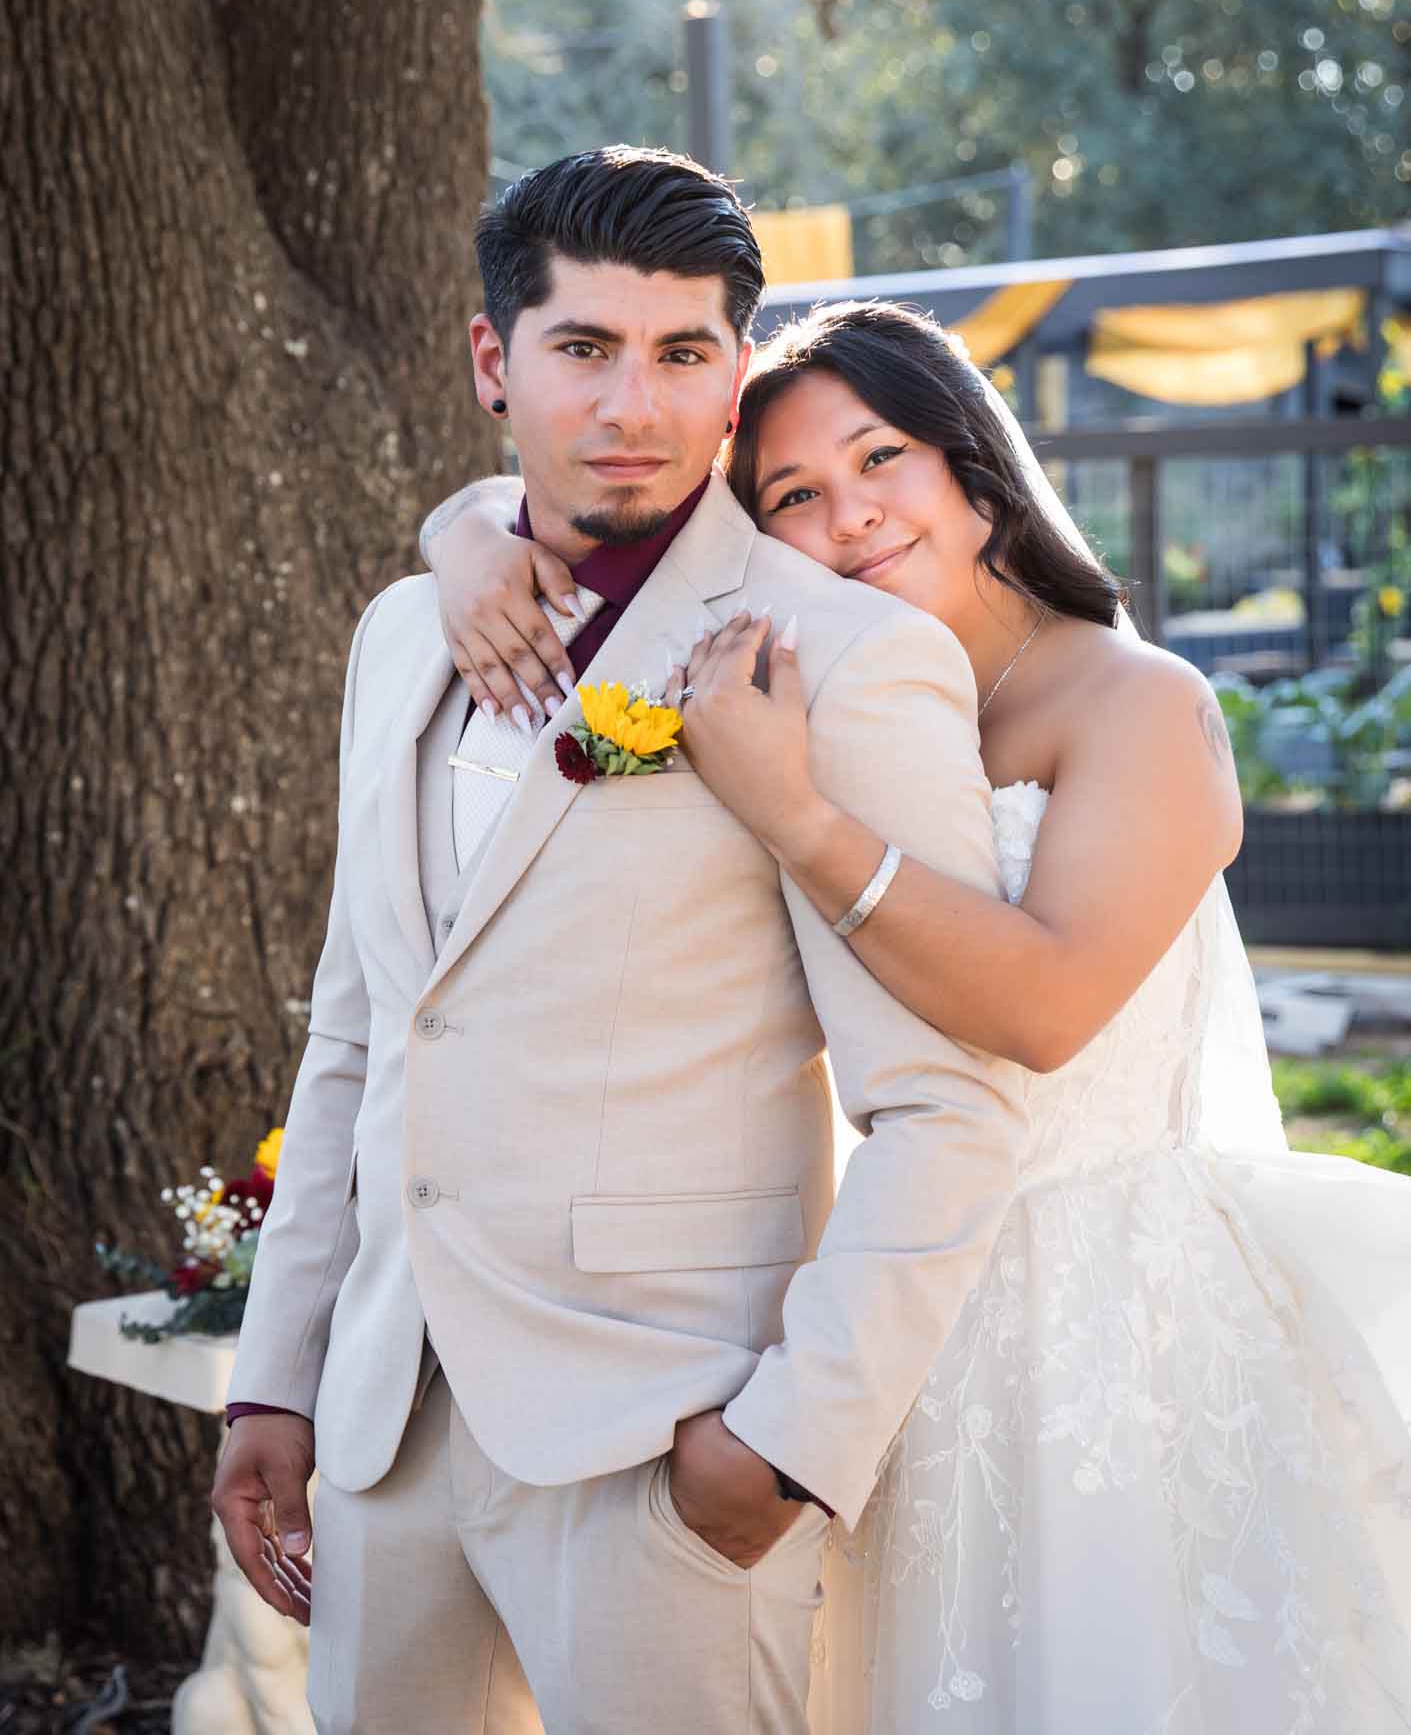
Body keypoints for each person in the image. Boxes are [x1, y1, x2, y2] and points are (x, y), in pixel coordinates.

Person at [430, 297, 1411, 1732]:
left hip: (1106, 1318)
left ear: (974, 463)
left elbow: (1047, 1007)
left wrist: (798, 814)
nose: (853, 517)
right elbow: (589, 502)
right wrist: (464, 537)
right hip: (884, 1307)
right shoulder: (827, 684)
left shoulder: (1134, 702)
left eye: (883, 459)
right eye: (795, 498)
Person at [212, 152, 1030, 1735]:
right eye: (583, 348)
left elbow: (950, 1099)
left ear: (738, 372)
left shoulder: (849, 661)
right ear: (490, 360)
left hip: (668, 1443)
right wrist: (279, 1373)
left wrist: (789, 1439)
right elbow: (362, 1028)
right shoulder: (402, 634)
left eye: (682, 355)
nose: (633, 407)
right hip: (384, 1433)